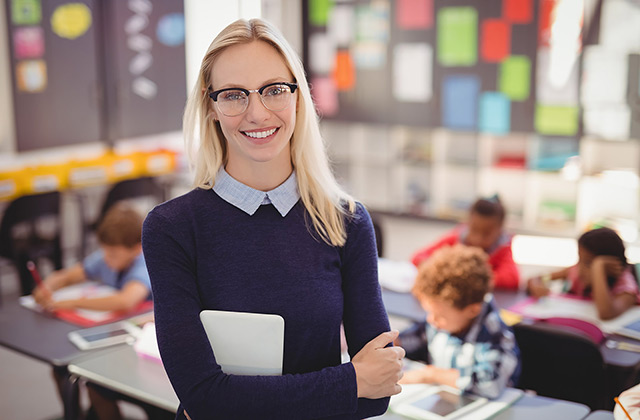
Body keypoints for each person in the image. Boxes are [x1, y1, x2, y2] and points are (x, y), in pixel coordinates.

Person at [141, 18, 404, 420]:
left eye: (275, 90)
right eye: (233, 95)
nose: (257, 113)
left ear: (298, 97)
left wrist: (235, 400)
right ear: (211, 107)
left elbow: (379, 391)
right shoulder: (172, 229)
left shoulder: (346, 222)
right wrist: (350, 381)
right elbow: (203, 398)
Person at [33, 202, 153, 420]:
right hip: (105, 339)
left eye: (114, 254)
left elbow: (126, 300)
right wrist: (48, 285)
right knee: (60, 369)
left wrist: (72, 303)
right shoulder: (107, 255)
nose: (107, 259)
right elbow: (69, 275)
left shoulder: (143, 262)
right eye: (105, 251)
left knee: (96, 386)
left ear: (137, 248)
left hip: (136, 348)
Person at [398, 244, 521, 399]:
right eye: (429, 312)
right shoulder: (440, 321)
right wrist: (392, 344)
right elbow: (410, 339)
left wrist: (431, 375)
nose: (431, 320)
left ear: (472, 310)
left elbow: (490, 384)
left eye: (439, 315)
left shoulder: (494, 333)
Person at [527, 227, 639, 320]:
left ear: (611, 266)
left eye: (588, 263)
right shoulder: (576, 270)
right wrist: (537, 283)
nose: (580, 269)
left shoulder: (626, 287)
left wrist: (598, 269)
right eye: (579, 259)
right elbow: (538, 278)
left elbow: (606, 314)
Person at [410, 196, 519, 290]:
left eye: (486, 234)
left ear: (500, 231)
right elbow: (417, 257)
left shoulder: (502, 248)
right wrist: (440, 269)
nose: (478, 239)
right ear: (467, 224)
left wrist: (473, 277)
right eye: (474, 230)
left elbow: (513, 278)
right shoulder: (455, 239)